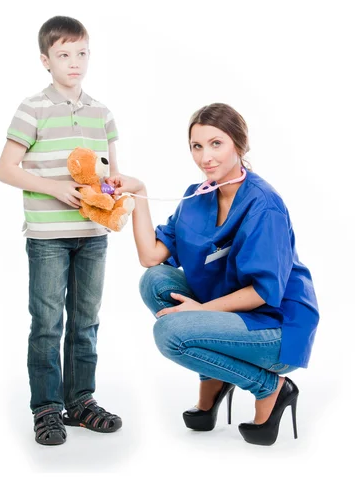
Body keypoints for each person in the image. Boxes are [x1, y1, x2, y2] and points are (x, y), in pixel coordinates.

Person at [107, 103, 319, 446]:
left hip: (275, 324)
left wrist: (200, 312)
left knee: (170, 334)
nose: (206, 157)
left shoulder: (264, 205)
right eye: (197, 146)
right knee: (155, 281)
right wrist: (138, 193)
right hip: (234, 313)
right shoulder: (196, 197)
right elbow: (150, 257)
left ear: (239, 144)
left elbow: (265, 293)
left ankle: (271, 387)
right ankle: (217, 380)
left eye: (216, 143)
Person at [0, 16, 122, 445]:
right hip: (47, 236)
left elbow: (111, 175)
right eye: (64, 55)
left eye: (82, 53)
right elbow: (6, 170)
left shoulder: (102, 113)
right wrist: (56, 188)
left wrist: (114, 196)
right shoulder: (32, 108)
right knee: (47, 323)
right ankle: (47, 409)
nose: (75, 63)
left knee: (86, 322)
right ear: (45, 60)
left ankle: (81, 402)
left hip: (93, 235)